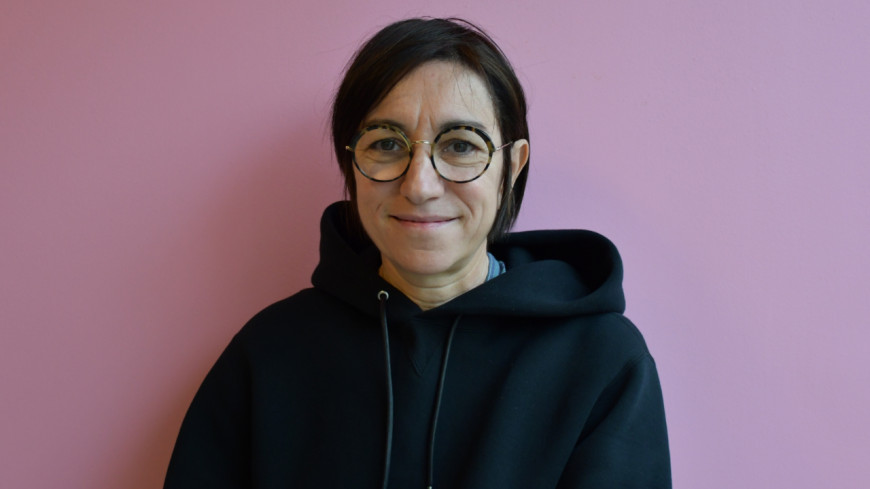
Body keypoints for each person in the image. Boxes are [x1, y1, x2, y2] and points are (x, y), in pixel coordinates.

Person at [164, 17, 671, 489]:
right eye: (386, 144)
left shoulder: (601, 361)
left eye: (461, 145)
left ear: (512, 166)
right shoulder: (267, 354)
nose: (420, 185)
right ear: (351, 163)